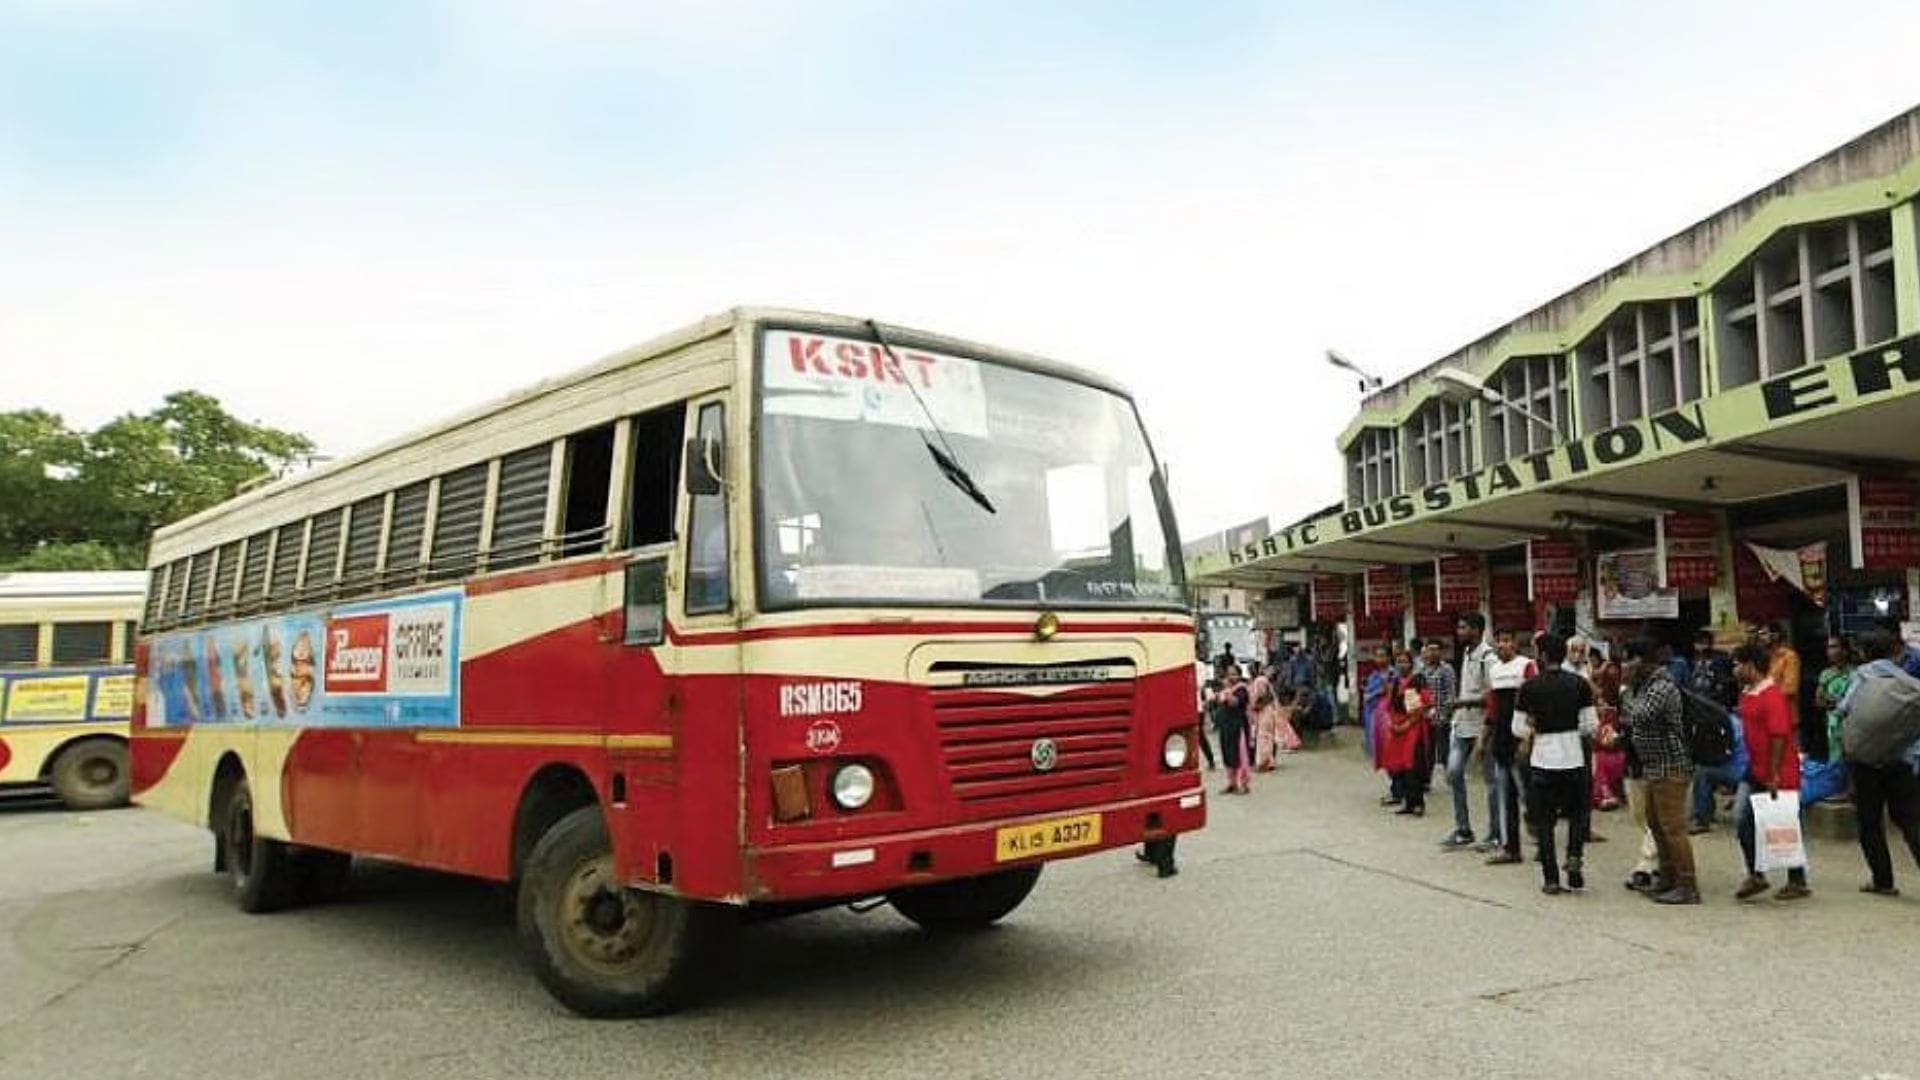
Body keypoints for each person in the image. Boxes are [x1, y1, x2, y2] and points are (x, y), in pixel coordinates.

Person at [1835, 628, 1920, 897]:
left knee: (1870, 822)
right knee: (1910, 820)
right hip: (1900, 760)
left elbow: (1844, 709)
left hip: (1865, 762)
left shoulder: (1861, 676)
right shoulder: (1906, 679)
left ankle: (1883, 881)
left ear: (1862, 652)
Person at [1513, 634, 1599, 893]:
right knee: (1577, 813)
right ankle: (1574, 856)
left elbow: (1518, 728)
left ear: (1542, 656)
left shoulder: (1529, 687)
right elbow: (1590, 725)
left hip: (1543, 758)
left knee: (1545, 820)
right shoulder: (1579, 684)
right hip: (1573, 756)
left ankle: (1550, 878)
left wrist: (1534, 729)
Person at [1622, 636, 1700, 904]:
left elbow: (1639, 715)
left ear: (1641, 661)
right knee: (1656, 824)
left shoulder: (1661, 686)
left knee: (1673, 827)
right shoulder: (1646, 686)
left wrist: (1625, 692)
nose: (1625, 666)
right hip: (1654, 766)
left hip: (1671, 765)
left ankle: (1688, 885)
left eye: (1628, 660)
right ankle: (1668, 878)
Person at [1731, 642, 1810, 902]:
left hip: (1777, 768)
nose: (1734, 669)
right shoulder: (1748, 692)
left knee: (1784, 823)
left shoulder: (1772, 695)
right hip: (1755, 767)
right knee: (1742, 818)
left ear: (1750, 666)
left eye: (1737, 664)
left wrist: (1774, 773)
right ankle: (1756, 873)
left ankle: (1797, 880)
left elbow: (1778, 735)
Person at [1483, 628, 1538, 865]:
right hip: (1501, 739)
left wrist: (1529, 737)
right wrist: (1484, 738)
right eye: (1498, 641)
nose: (1501, 645)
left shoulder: (1526, 666)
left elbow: (1535, 702)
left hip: (1521, 739)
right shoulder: (1494, 670)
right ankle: (1511, 848)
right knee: (1506, 796)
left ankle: (1541, 841)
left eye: (1506, 640)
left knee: (1527, 794)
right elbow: (1492, 707)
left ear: (1515, 643)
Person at [1437, 618, 1487, 850]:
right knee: (1453, 773)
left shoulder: (1488, 658)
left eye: (1463, 628)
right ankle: (1463, 829)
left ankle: (1498, 834)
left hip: (1482, 727)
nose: (1459, 632)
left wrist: (1463, 702)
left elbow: (1491, 697)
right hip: (1461, 725)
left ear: (1476, 630)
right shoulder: (1466, 654)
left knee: (1494, 783)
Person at [1687, 702, 1749, 834]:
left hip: (1738, 769)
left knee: (1702, 773)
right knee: (1708, 770)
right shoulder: (1740, 723)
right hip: (1744, 766)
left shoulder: (1725, 724)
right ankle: (1705, 811)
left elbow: (1723, 753)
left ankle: (1702, 819)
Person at [1379, 672, 1432, 817]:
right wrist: (1392, 724)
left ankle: (1418, 803)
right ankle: (1408, 803)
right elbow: (1389, 706)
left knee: (1412, 768)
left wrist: (1405, 725)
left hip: (1412, 730)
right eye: (1399, 662)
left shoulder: (1415, 682)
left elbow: (1420, 709)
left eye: (1405, 662)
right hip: (1397, 730)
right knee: (1399, 768)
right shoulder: (1395, 682)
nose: (1402, 665)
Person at [1211, 662, 1253, 796]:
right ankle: (1232, 783)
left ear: (1239, 675)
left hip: (1238, 727)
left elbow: (1234, 702)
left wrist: (1227, 691)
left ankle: (1243, 784)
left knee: (1239, 755)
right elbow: (1217, 702)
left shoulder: (1242, 689)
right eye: (1229, 674)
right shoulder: (1226, 689)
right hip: (1226, 727)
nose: (1231, 677)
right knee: (1228, 755)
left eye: (1234, 674)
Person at [1815, 635, 1856, 765]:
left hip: (1851, 725)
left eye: (1834, 647)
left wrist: (1834, 700)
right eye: (1828, 647)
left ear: (1845, 651)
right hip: (1832, 725)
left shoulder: (1856, 673)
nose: (1829, 651)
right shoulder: (1826, 674)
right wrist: (1835, 701)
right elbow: (1819, 701)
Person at [1687, 629, 1738, 708]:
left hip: (1714, 701)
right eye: (1700, 643)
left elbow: (1726, 680)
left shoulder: (1720, 660)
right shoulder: (1688, 661)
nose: (1704, 646)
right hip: (1694, 700)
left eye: (1706, 643)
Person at [1362, 644, 1393, 763]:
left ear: (1389, 658)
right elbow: (1367, 694)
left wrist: (1376, 693)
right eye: (1377, 656)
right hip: (1371, 712)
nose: (1380, 659)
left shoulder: (1393, 674)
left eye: (1382, 656)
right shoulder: (1373, 675)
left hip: (1386, 713)